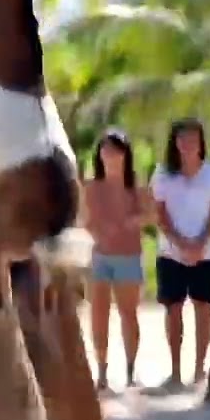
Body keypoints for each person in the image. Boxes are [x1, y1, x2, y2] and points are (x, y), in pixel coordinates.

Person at [151, 118, 210, 387]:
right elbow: (159, 214)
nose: (187, 144)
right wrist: (182, 243)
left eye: (193, 139)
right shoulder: (162, 173)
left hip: (206, 253)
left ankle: (199, 368)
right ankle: (174, 371)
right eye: (182, 139)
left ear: (201, 143)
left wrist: (200, 243)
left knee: (203, 307)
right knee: (173, 310)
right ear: (174, 143)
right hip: (170, 253)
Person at [83, 128, 146, 389]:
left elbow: (151, 214)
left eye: (117, 150)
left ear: (125, 154)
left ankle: (131, 371)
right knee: (98, 314)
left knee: (128, 314)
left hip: (128, 256)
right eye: (106, 149)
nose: (111, 155)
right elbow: (82, 220)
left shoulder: (135, 187)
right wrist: (98, 230)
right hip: (98, 257)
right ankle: (101, 372)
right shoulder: (90, 187)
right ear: (99, 155)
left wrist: (131, 222)